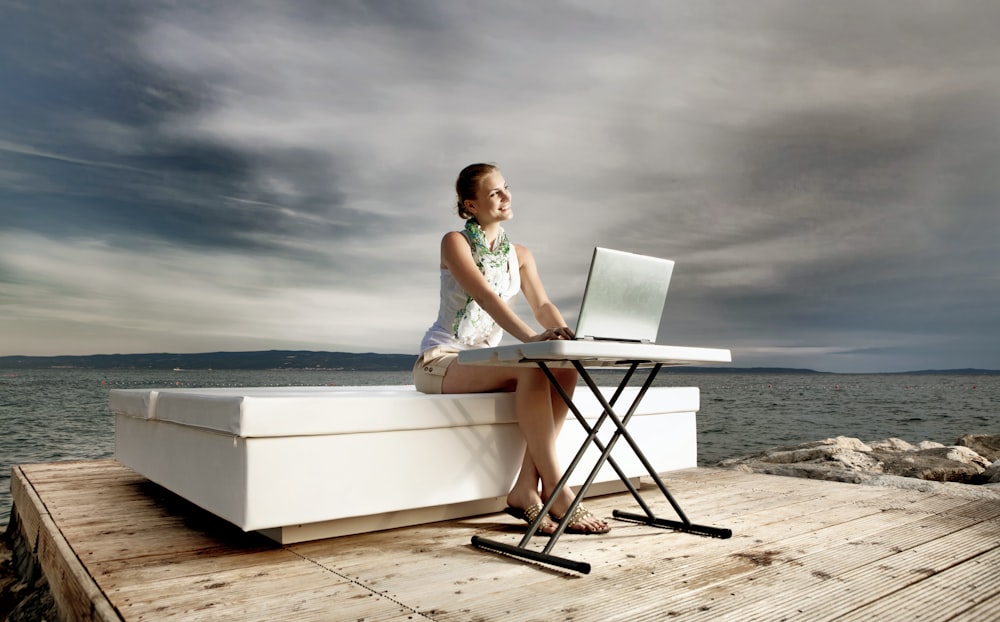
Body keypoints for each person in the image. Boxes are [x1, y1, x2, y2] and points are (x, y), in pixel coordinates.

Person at [413, 163, 610, 535]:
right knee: (532, 363)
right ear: (471, 206)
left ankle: (524, 490)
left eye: (505, 188)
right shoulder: (455, 242)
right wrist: (532, 339)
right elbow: (485, 295)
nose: (505, 197)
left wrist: (561, 332)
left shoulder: (520, 254)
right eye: (494, 193)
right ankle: (557, 487)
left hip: (488, 361)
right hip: (441, 361)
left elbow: (541, 305)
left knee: (562, 367)